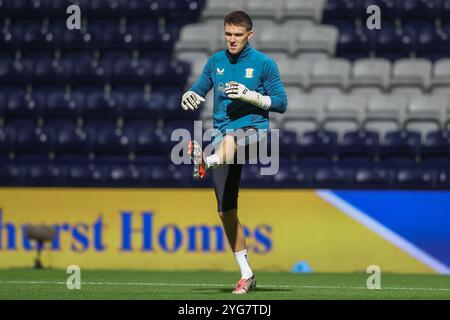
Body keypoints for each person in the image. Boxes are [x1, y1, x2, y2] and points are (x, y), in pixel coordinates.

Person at [180, 11, 287, 294]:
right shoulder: (216, 61)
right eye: (228, 34)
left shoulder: (264, 63)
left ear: (249, 35)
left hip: (254, 132)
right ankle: (247, 274)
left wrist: (251, 96)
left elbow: (281, 102)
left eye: (238, 35)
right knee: (225, 211)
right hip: (222, 136)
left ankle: (207, 161)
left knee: (231, 139)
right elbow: (201, 88)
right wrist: (191, 95)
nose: (232, 39)